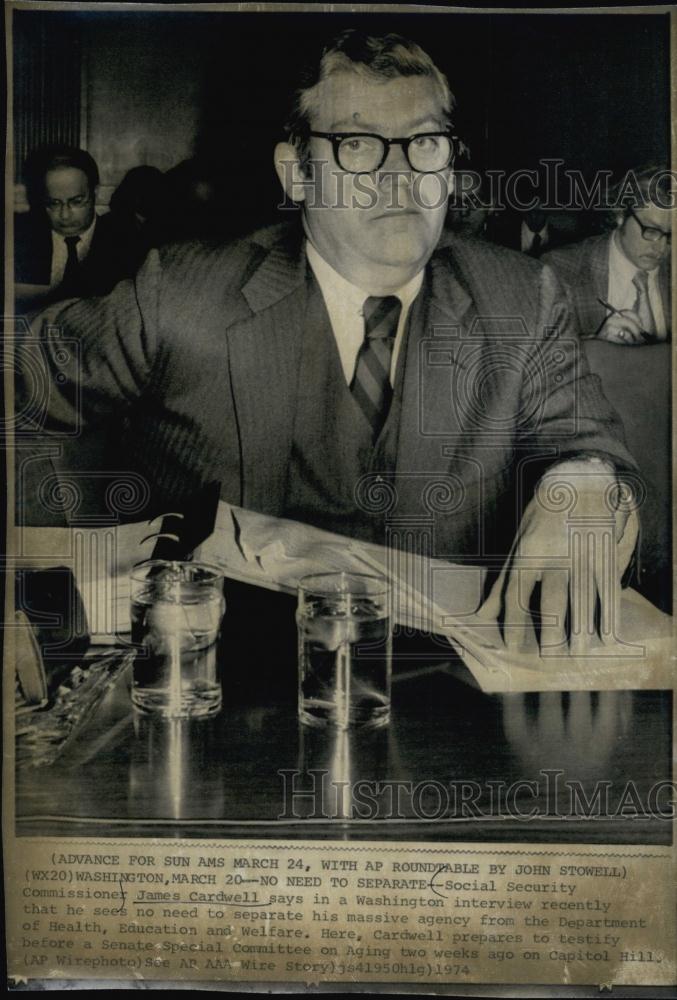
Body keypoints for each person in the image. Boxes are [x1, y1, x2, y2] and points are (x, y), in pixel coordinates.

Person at [18, 30, 641, 650]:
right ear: (296, 174)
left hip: (441, 706)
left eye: (424, 142)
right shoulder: (181, 295)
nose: (399, 177)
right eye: (357, 144)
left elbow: (588, 442)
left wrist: (584, 486)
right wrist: (48, 592)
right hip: (223, 695)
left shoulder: (521, 298)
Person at [543, 165, 672, 344]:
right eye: (651, 230)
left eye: (671, 235)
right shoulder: (560, 270)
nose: (661, 246)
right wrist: (596, 348)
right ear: (620, 215)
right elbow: (540, 358)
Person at [14, 145, 131, 310]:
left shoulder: (126, 243)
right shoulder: (18, 238)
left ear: (95, 192)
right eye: (53, 203)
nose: (65, 215)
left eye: (76, 201)